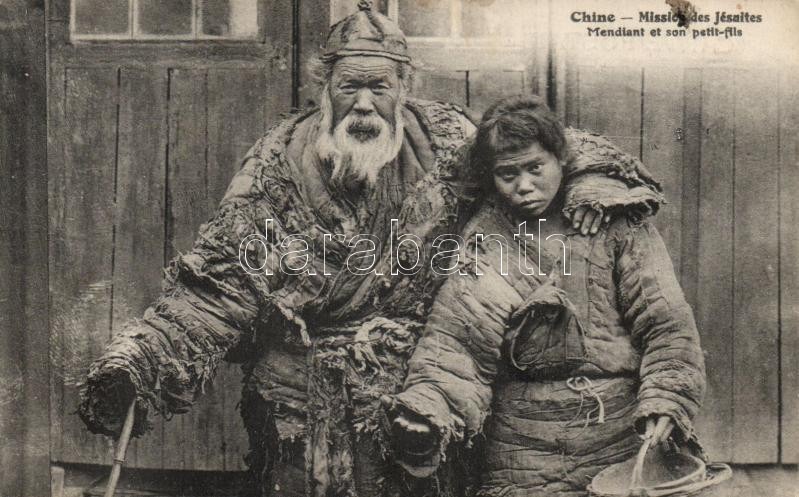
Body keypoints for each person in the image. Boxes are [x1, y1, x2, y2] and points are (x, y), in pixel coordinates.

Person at [77, 3, 664, 496]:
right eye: (349, 86)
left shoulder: (449, 143)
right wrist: (145, 359)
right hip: (297, 401)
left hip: (414, 397)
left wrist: (591, 186)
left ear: (403, 89)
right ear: (324, 89)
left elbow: (547, 151)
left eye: (379, 87)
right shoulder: (276, 165)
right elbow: (218, 283)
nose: (363, 104)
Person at [386, 95, 706, 497]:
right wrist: (427, 408)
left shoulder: (616, 222)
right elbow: (458, 342)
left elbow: (666, 324)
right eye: (507, 174)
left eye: (535, 168)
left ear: (561, 160)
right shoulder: (487, 238)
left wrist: (667, 398)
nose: (524, 186)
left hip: (621, 437)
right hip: (521, 450)